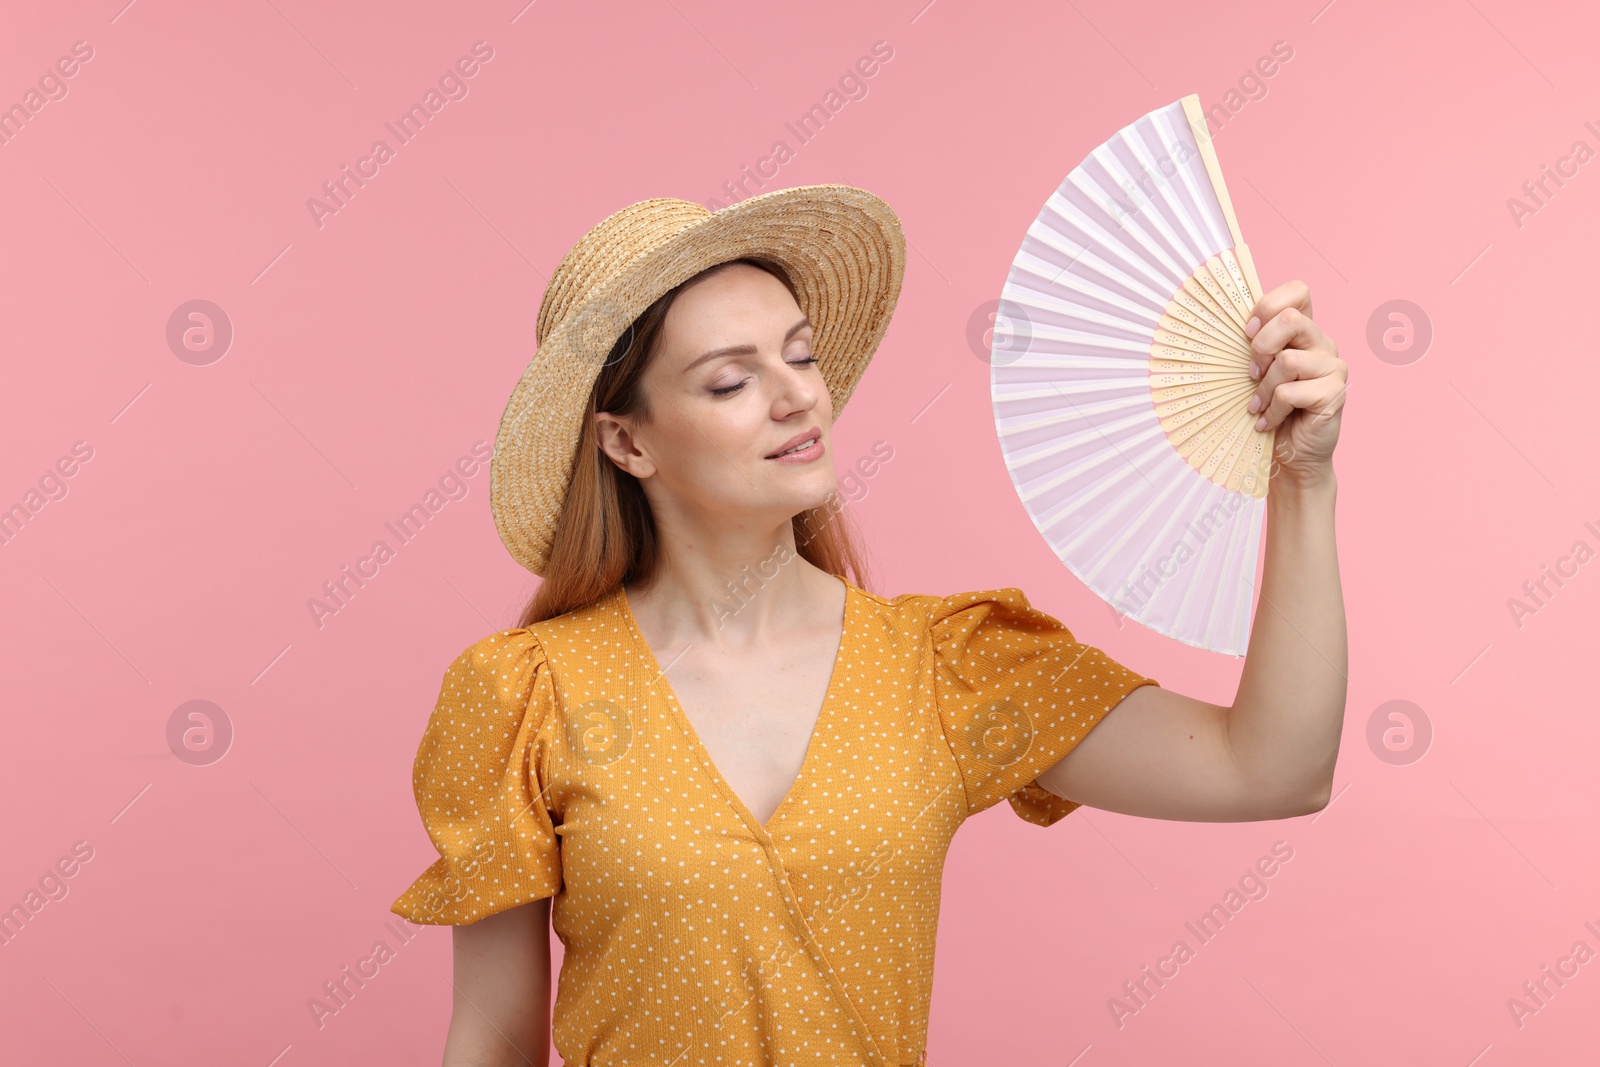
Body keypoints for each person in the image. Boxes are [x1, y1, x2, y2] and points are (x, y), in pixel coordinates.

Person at [390, 185, 1349, 1067]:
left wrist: (1303, 484)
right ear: (627, 441)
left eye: (800, 355)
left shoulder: (945, 665)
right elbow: (494, 1037)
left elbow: (1274, 768)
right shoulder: (524, 694)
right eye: (730, 381)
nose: (799, 392)